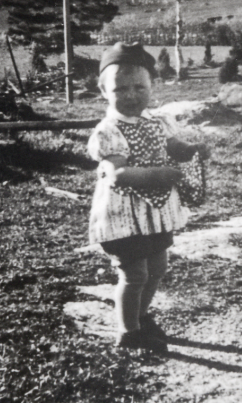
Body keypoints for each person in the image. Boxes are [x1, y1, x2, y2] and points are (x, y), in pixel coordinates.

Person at [87, 42, 208, 352]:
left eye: (139, 87)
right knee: (135, 274)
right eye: (121, 89)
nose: (131, 95)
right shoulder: (109, 131)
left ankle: (141, 317)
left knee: (157, 269)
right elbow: (117, 174)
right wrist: (157, 175)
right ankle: (128, 333)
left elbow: (173, 147)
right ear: (104, 91)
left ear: (152, 85)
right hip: (123, 217)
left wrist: (190, 150)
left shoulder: (157, 121)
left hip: (155, 214)